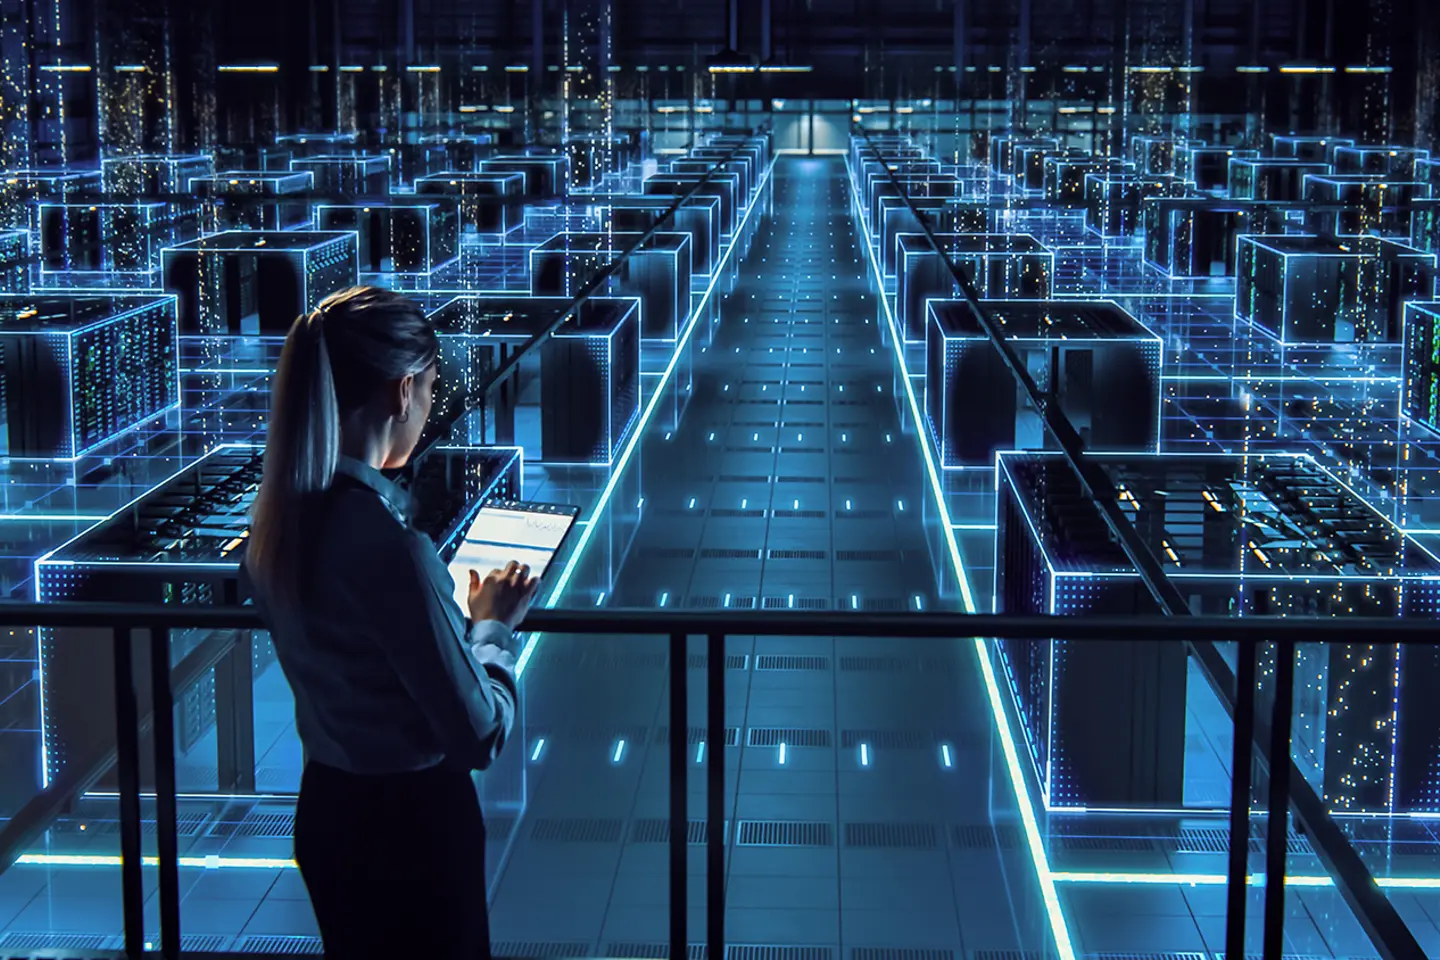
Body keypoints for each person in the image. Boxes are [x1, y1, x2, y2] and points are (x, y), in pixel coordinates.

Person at [242, 285, 539, 959]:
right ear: (401, 391)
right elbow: (478, 734)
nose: (428, 410)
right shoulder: (389, 547)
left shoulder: (277, 527)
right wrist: (492, 628)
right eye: (430, 391)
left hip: (329, 810)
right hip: (412, 829)